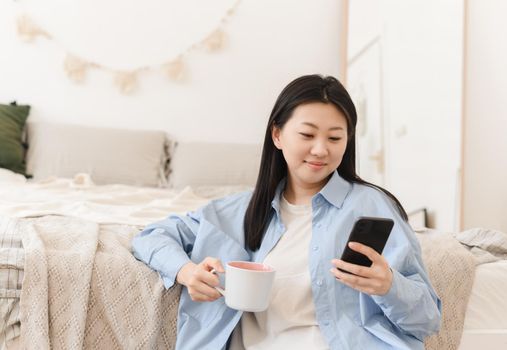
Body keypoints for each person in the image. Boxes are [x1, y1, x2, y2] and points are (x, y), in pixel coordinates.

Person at [132, 74, 441, 350]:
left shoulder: (372, 206)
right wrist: (186, 272)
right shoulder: (234, 212)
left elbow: (427, 321)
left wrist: (388, 286)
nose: (321, 150)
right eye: (307, 135)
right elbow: (150, 236)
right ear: (277, 135)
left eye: (335, 137)